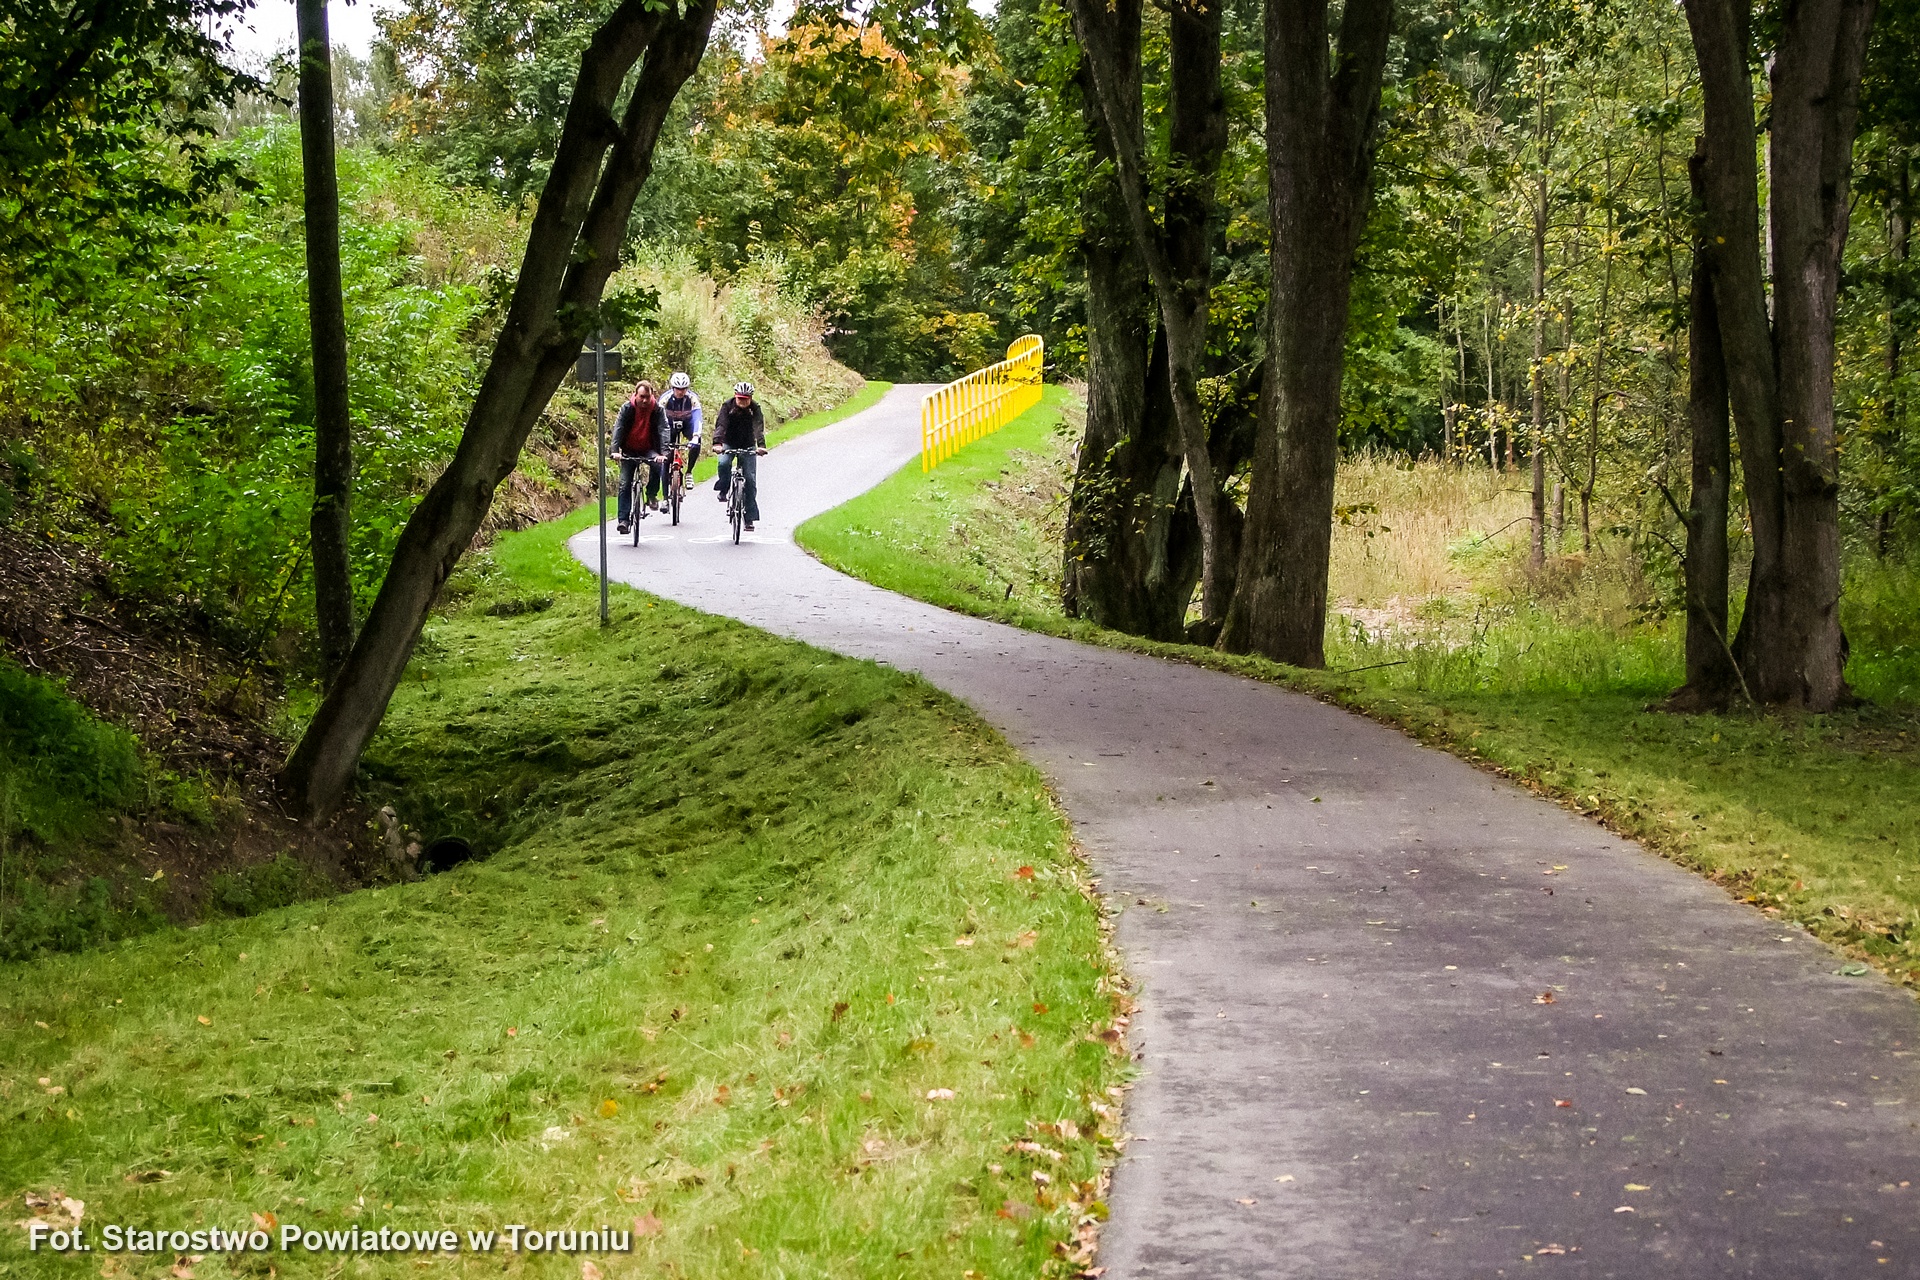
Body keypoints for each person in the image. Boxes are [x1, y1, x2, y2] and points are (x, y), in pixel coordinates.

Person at [613, 380, 667, 535]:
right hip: (629, 449)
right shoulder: (627, 408)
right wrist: (615, 450)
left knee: (658, 465)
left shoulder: (657, 410)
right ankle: (623, 520)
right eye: (642, 396)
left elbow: (664, 429)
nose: (644, 400)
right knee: (624, 484)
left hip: (649, 449)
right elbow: (619, 428)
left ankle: (651, 494)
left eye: (647, 397)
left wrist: (663, 453)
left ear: (652, 396)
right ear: (635, 395)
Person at [712, 381, 767, 531]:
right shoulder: (727, 406)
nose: (743, 402)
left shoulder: (755, 409)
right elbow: (721, 425)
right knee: (723, 463)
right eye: (740, 399)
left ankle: (749, 518)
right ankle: (723, 489)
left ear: (751, 398)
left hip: (748, 444)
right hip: (728, 443)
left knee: (750, 480)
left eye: (746, 399)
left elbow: (758, 427)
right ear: (735, 397)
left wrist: (761, 446)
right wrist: (717, 443)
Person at [662, 371, 703, 471]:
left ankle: (689, 471)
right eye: (678, 389)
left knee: (697, 444)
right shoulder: (665, 399)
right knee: (667, 456)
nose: (680, 392)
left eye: (683, 389)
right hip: (669, 425)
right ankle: (665, 481)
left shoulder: (692, 398)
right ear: (673, 388)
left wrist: (696, 436)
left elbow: (697, 418)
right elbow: (658, 418)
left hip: (687, 424)